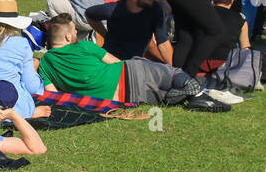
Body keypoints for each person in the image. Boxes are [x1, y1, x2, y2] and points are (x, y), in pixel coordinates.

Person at [37, 16, 227, 111]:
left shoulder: (45, 64)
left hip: (122, 99)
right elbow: (116, 62)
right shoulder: (85, 47)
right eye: (74, 31)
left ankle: (180, 96)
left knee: (161, 95)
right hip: (128, 74)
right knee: (172, 72)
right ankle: (196, 91)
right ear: (69, 36)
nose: (77, 34)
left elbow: (55, 95)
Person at [86, 0, 168, 62]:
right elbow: (89, 13)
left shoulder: (155, 8)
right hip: (111, 61)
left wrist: (175, 69)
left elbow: (163, 43)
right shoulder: (113, 9)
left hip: (133, 63)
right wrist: (105, 34)